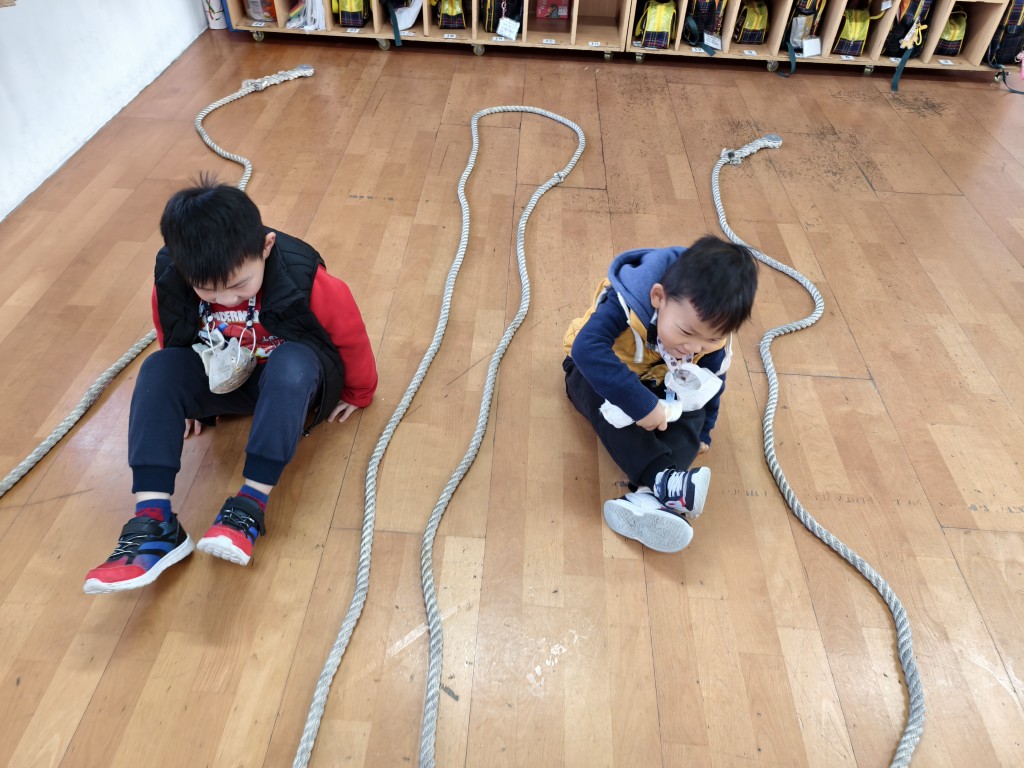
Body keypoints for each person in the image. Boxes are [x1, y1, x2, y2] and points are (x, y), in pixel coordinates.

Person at [84, 177, 378, 594]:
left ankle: (249, 505)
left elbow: (349, 334)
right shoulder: (171, 276)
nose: (225, 300)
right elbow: (173, 333)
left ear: (266, 246)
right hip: (223, 376)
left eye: (239, 285)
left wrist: (358, 391)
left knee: (293, 362)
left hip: (287, 382)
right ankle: (154, 521)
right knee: (157, 368)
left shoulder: (303, 275)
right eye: (207, 290)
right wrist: (184, 404)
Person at [563, 235, 758, 552]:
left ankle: (648, 499)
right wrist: (640, 405)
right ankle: (662, 479)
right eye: (686, 332)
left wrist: (704, 430)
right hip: (593, 373)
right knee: (608, 405)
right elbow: (586, 350)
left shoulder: (710, 337)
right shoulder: (626, 302)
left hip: (658, 382)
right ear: (658, 297)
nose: (693, 347)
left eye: (709, 341)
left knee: (692, 408)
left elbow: (711, 384)